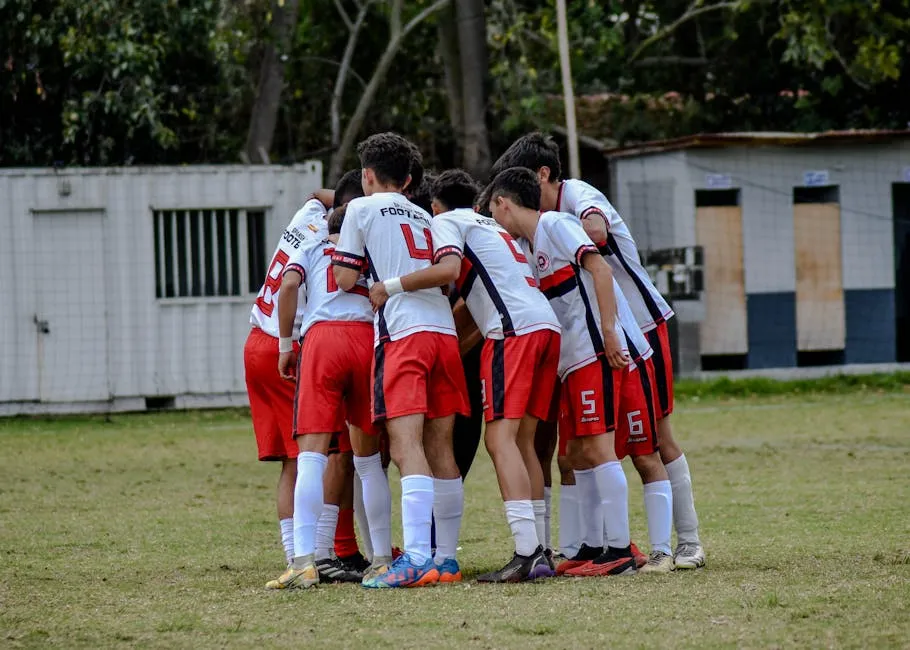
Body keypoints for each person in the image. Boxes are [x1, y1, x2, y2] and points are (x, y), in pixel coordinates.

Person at [491, 133, 704, 569]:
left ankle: (685, 542)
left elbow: (595, 231)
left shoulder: (573, 202)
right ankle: (590, 547)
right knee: (579, 451)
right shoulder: (540, 235)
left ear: (543, 177)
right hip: (594, 342)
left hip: (636, 327)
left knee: (652, 443)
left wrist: (605, 321)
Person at [371, 169, 561, 582]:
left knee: (500, 439)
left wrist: (392, 285)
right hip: (545, 324)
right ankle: (541, 548)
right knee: (524, 441)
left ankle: (527, 552)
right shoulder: (492, 225)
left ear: (434, 207)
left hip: (512, 331)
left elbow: (448, 271)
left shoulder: (445, 222)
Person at [333, 133, 471, 588]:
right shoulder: (427, 215)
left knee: (405, 443)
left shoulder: (360, 207)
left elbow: (344, 275)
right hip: (443, 333)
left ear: (367, 175)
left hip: (403, 333)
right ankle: (445, 560)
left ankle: (413, 557)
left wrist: (369, 278)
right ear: (410, 180)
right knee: (441, 448)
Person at [265, 204, 392, 589]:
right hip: (365, 339)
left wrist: (286, 343)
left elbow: (288, 285)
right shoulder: (371, 251)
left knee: (310, 455)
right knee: (369, 461)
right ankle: (382, 559)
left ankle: (303, 562)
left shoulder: (313, 245)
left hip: (323, 340)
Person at [244, 172, 364, 576]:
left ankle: (303, 554)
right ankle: (322, 555)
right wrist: (285, 344)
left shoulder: (311, 211)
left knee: (297, 462)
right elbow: (294, 285)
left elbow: (317, 192)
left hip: (258, 340)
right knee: (328, 455)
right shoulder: (342, 235)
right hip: (291, 345)